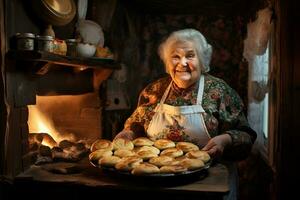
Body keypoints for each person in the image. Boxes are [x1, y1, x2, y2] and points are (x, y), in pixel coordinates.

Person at [114, 28, 257, 200]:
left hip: (208, 184)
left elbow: (245, 136)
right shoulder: (154, 91)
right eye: (175, 56)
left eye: (190, 55)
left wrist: (225, 140)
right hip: (158, 183)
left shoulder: (220, 92)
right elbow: (136, 126)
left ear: (202, 60)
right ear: (168, 62)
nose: (182, 63)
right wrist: (128, 133)